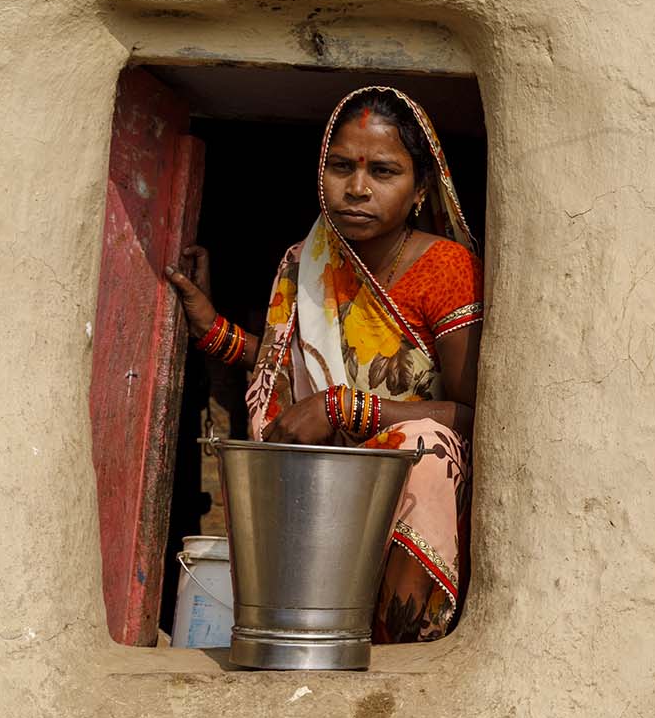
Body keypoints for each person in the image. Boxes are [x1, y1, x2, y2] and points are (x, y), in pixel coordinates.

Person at [165, 85, 483, 643]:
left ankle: (403, 649)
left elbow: (474, 414)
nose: (357, 189)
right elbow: (284, 369)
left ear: (419, 190)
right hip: (323, 488)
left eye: (382, 172)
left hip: (410, 494)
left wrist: (346, 408)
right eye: (341, 167)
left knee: (427, 447)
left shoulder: (446, 269)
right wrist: (213, 331)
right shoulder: (303, 261)